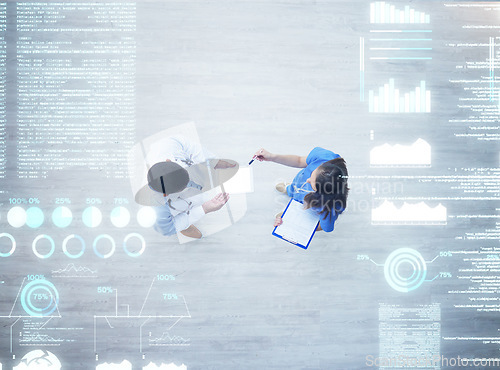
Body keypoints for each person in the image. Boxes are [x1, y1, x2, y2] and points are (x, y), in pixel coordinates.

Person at [144, 135, 235, 239]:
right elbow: (168, 229)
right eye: (185, 186)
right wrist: (204, 209)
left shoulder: (168, 145)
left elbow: (188, 146)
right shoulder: (157, 209)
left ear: (168, 161)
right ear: (167, 194)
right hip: (173, 207)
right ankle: (185, 227)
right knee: (180, 216)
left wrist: (212, 160)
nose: (191, 182)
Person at [253, 147, 348, 232]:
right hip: (297, 185)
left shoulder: (329, 208)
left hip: (307, 203)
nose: (307, 180)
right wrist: (272, 156)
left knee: (299, 200)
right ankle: (289, 190)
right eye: (312, 174)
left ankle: (293, 210)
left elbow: (323, 227)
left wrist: (292, 221)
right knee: (294, 188)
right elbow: (299, 160)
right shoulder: (324, 157)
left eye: (313, 185)